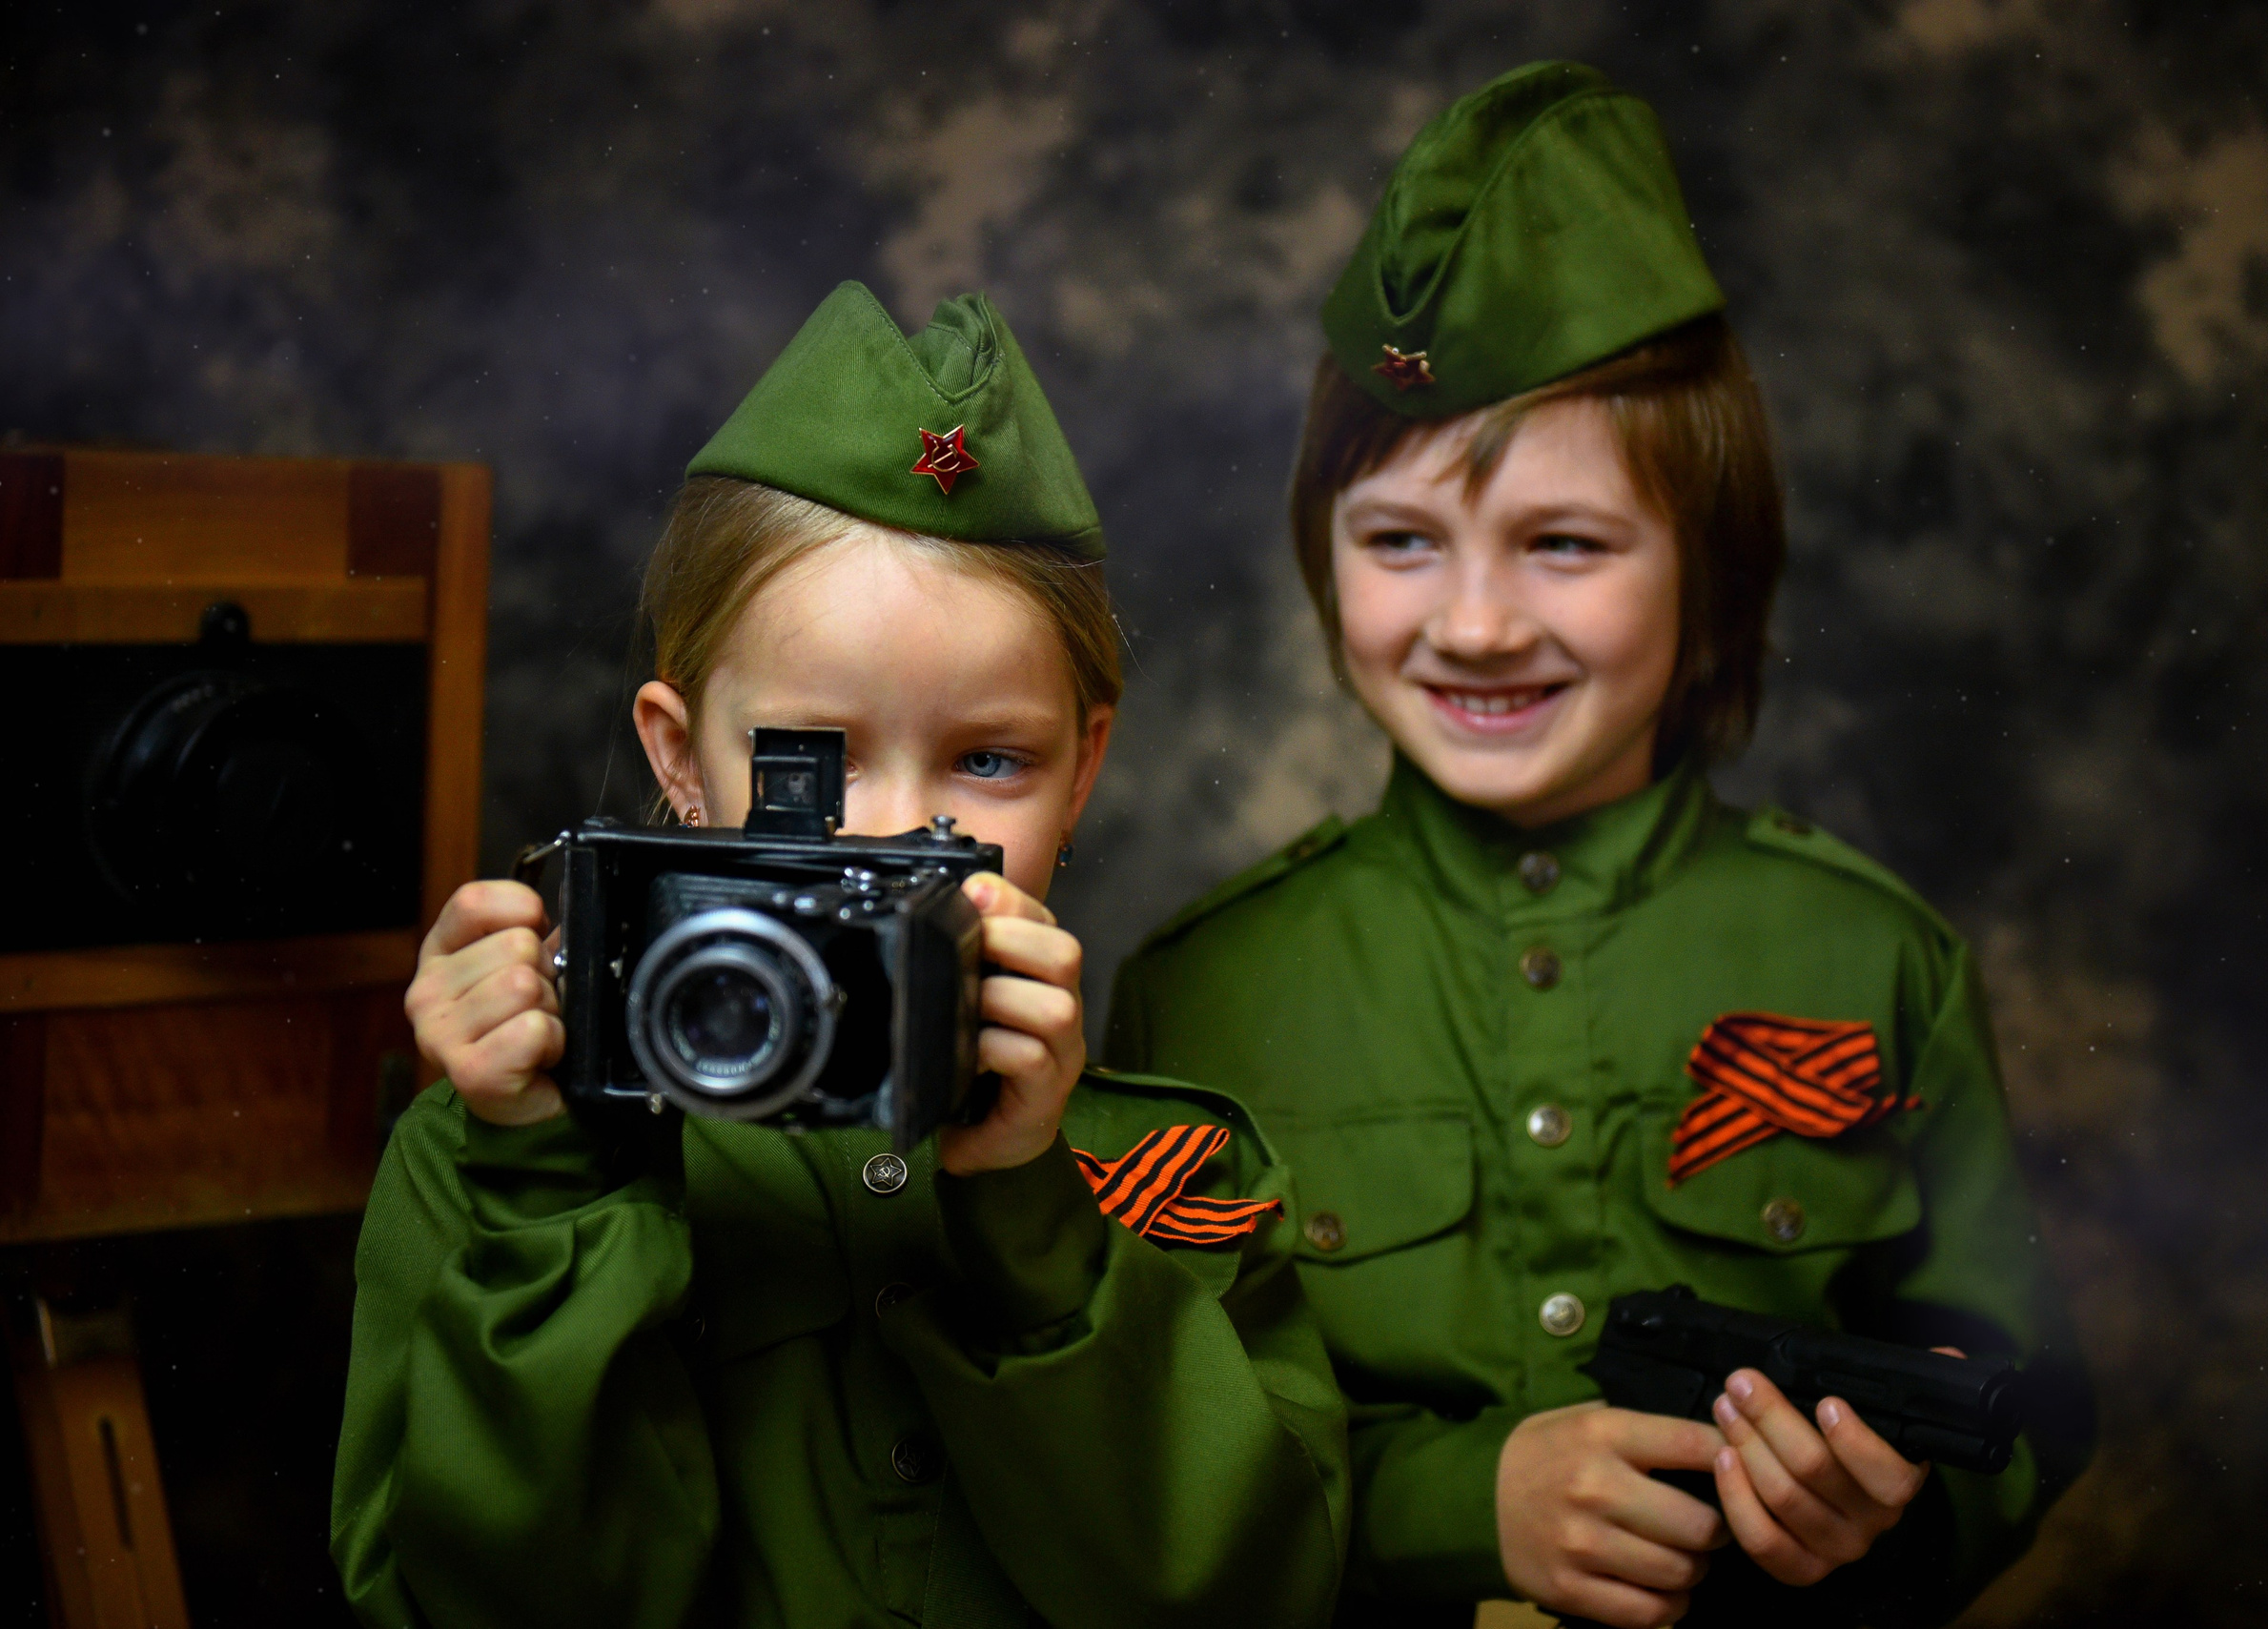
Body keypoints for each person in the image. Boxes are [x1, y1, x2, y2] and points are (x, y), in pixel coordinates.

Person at [1103, 62, 2092, 1629]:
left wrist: (1891, 1511)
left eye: (1564, 543)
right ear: (1321, 555)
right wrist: (1448, 1504)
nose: (1479, 624)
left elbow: (2022, 1386)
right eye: (1401, 540)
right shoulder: (1201, 990)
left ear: (1710, 567)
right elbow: (1146, 1446)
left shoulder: (1875, 958)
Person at [331, 282, 1349, 1628]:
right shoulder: (488, 1158)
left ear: (1085, 767)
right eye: (812, 763)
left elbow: (1256, 1600)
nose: (898, 834)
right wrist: (543, 1186)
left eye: (991, 760)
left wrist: (1034, 1218)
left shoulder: (1177, 1174)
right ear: (679, 758)